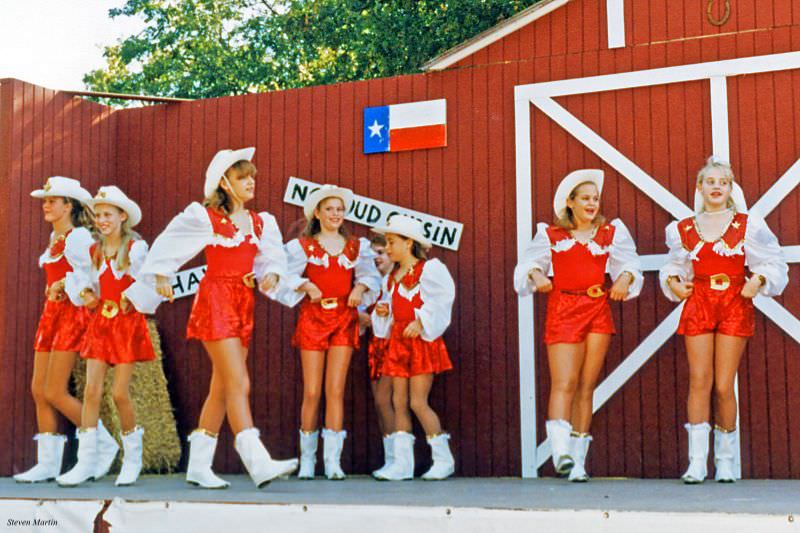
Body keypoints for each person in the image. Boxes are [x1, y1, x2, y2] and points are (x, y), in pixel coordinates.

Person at [128, 147, 297, 488]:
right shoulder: (206, 217)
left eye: (251, 175)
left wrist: (273, 275)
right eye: (241, 176)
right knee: (238, 382)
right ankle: (256, 460)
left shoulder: (262, 222)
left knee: (222, 388)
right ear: (224, 183)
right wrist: (160, 272)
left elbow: (272, 258)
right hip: (216, 299)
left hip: (242, 303)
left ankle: (198, 466)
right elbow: (169, 242)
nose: (250, 181)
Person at [659, 157, 788, 483]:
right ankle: (697, 463)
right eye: (710, 181)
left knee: (722, 383)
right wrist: (674, 282)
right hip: (700, 303)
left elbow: (773, 261)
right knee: (699, 380)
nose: (716, 186)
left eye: (723, 182)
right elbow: (673, 267)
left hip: (733, 303)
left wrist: (757, 281)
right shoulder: (683, 229)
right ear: (700, 188)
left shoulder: (749, 225)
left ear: (730, 189)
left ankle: (726, 461)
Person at [514, 169, 643, 481]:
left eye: (595, 199)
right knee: (564, 382)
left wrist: (624, 279)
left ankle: (578, 461)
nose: (592, 203)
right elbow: (528, 265)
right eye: (585, 198)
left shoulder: (611, 233)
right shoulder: (551, 236)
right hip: (564, 307)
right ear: (569, 203)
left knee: (586, 387)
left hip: (597, 308)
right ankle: (560, 454)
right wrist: (538, 276)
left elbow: (629, 264)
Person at [276, 184, 381, 480]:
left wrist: (360, 288)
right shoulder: (303, 245)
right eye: (330, 209)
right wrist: (305, 285)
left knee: (335, 390)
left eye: (340, 209)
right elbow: (281, 274)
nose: (335, 214)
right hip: (313, 317)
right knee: (312, 391)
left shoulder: (356, 246)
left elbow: (370, 276)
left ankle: (332, 461)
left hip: (344, 319)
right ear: (318, 213)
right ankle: (308, 460)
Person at [57, 186, 155, 486]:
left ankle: (132, 458)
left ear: (122, 216)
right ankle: (86, 461)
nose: (102, 220)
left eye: (108, 214)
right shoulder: (93, 250)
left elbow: (149, 281)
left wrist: (132, 296)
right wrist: (85, 292)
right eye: (98, 215)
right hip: (101, 322)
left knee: (119, 393)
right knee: (90, 391)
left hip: (126, 324)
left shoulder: (135, 249)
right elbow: (86, 280)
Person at [14, 177, 105, 483]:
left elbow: (96, 274)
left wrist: (66, 283)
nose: (47, 205)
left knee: (54, 390)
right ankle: (48, 465)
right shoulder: (56, 240)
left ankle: (103, 441)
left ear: (70, 205)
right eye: (45, 200)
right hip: (50, 316)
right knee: (39, 389)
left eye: (54, 200)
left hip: (71, 316)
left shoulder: (79, 238)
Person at [370, 215, 456, 481]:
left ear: (409, 243)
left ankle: (443, 459)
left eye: (393, 242)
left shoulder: (429, 270)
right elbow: (390, 312)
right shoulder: (392, 278)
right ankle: (402, 464)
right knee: (398, 402)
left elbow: (443, 299)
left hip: (420, 343)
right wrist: (384, 312)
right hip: (398, 342)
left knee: (418, 401)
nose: (389, 248)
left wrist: (422, 321)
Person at [356, 234, 396, 477]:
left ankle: (398, 459)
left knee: (388, 401)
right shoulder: (369, 285)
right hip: (375, 347)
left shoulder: (396, 282)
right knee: (382, 405)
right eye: (373, 254)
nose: (377, 258)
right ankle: (391, 458)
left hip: (395, 345)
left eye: (381, 252)